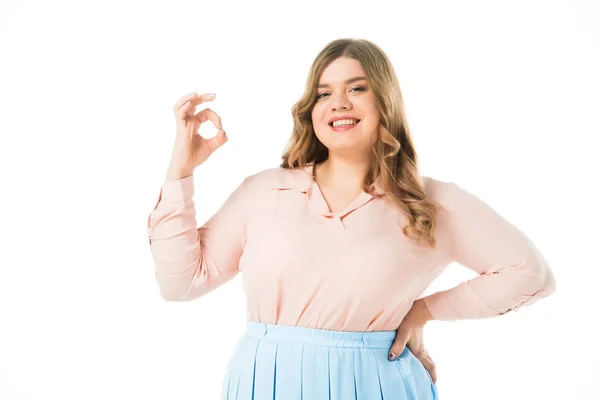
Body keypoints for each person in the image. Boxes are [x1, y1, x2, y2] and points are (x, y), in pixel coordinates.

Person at [146, 38, 556, 400]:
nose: (339, 102)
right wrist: (180, 170)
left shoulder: (428, 202)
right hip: (264, 381)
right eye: (324, 93)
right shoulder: (263, 192)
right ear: (311, 110)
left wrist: (423, 311)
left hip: (378, 383)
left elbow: (529, 273)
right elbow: (180, 283)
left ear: (385, 102)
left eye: (357, 88)